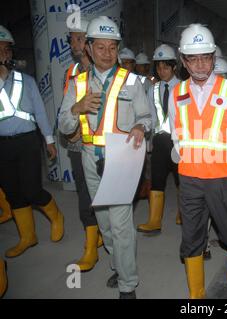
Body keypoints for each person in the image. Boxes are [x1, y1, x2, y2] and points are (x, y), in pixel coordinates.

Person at [58, 16, 152, 299]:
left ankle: (128, 285)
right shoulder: (78, 83)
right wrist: (76, 108)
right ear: (88, 48)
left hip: (121, 159)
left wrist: (140, 126)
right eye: (101, 47)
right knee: (105, 223)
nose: (108, 54)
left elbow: (147, 117)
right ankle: (118, 263)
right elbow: (64, 126)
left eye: (113, 48)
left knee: (122, 224)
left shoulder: (132, 80)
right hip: (90, 158)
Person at [170, 23, 227, 298]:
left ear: (214, 58)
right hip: (190, 177)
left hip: (224, 176)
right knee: (191, 237)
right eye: (193, 58)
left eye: (206, 57)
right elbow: (176, 133)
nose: (201, 64)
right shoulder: (177, 92)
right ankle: (197, 296)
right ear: (183, 61)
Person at [0, 25, 64, 258]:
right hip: (2, 144)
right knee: (13, 192)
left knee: (32, 190)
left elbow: (39, 111)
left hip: (27, 141)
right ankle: (28, 236)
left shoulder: (25, 81)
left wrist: (48, 140)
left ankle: (56, 216)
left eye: (5, 49)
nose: (2, 54)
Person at [62, 18, 104, 272]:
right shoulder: (71, 72)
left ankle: (108, 238)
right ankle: (91, 248)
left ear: (89, 43)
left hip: (104, 146)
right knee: (84, 196)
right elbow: (67, 107)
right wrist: (71, 131)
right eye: (72, 39)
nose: (74, 43)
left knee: (108, 198)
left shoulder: (106, 69)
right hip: (78, 144)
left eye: (79, 38)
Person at [137, 44, 181, 233]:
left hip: (179, 142)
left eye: (166, 67)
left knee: (183, 181)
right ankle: (154, 220)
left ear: (174, 67)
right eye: (159, 67)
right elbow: (151, 115)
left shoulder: (183, 87)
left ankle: (184, 213)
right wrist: (149, 141)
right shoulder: (153, 89)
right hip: (160, 141)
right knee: (157, 179)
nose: (162, 71)